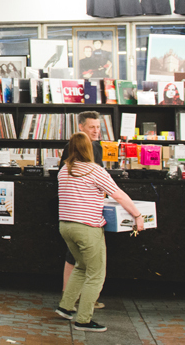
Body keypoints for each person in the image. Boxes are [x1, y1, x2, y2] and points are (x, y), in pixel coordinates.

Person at [55, 132, 144, 331]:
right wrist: (138, 215)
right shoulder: (94, 170)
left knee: (81, 266)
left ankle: (66, 307)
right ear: (89, 148)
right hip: (87, 228)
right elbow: (118, 195)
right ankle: (83, 320)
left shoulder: (63, 170)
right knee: (96, 274)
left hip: (66, 226)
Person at [58, 112, 105, 299]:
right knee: (76, 257)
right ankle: (74, 298)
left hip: (82, 211)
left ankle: (72, 298)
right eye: (92, 127)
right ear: (81, 127)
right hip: (81, 211)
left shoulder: (97, 147)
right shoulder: (73, 147)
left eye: (98, 127)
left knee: (78, 257)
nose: (96, 131)